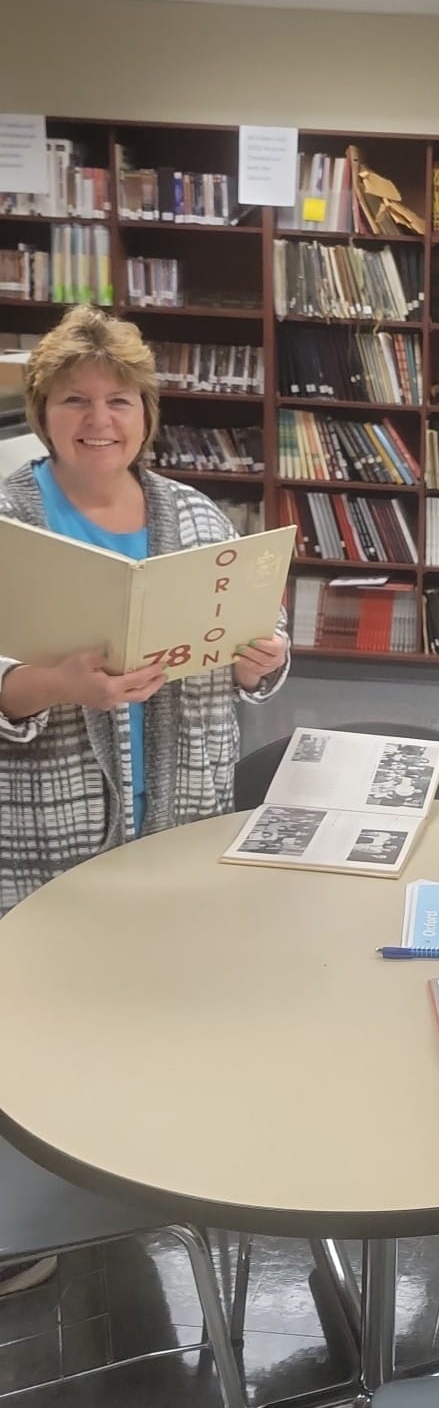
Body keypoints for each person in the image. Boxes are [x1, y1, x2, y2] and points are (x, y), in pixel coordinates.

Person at [0, 306, 289, 1295]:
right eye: (74, 398)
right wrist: (51, 685)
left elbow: (249, 644)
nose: (98, 418)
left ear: (146, 412)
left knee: (150, 994)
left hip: (181, 804)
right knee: (40, 1007)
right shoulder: (7, 516)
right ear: (42, 410)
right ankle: (29, 1204)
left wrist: (268, 657)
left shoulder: (194, 515)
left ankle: (135, 1166)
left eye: (118, 398)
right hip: (47, 812)